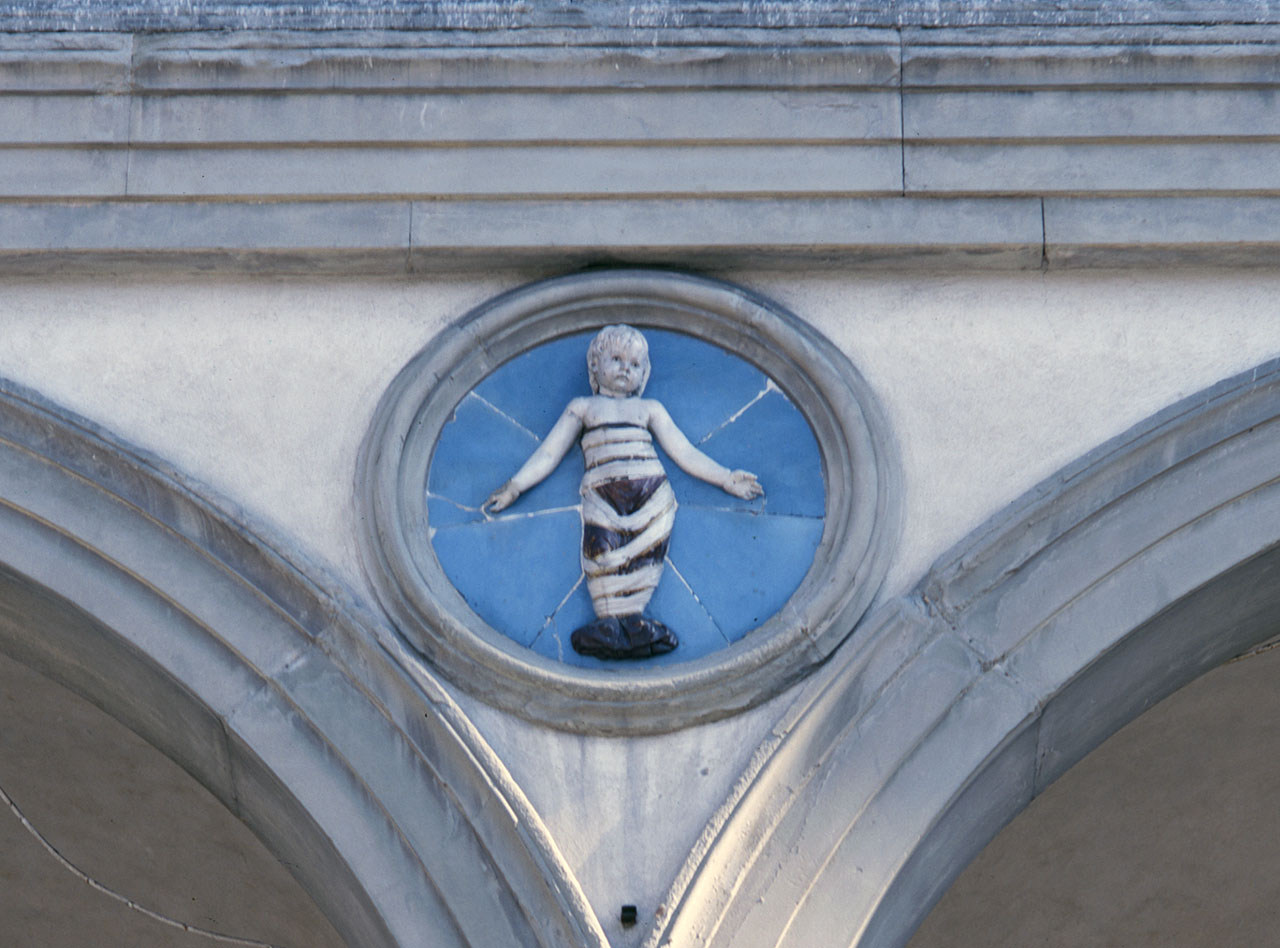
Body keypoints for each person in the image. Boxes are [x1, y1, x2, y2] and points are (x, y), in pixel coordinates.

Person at [484, 325, 762, 659]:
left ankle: (633, 621)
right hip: (603, 494)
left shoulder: (649, 409)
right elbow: (549, 453)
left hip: (651, 492)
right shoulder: (584, 407)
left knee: (646, 555)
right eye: (616, 359)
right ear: (595, 366)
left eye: (634, 364)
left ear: (645, 374)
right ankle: (609, 624)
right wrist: (515, 486)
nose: (625, 369)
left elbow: (684, 453)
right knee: (601, 552)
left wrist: (725, 478)